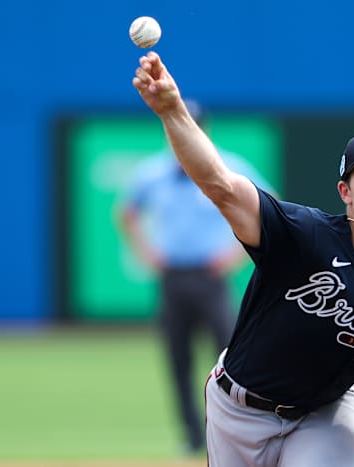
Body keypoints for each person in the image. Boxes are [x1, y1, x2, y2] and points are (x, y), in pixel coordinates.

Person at [132, 51, 354, 466]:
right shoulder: (303, 236)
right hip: (238, 409)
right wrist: (173, 109)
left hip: (326, 414)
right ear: (346, 192)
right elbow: (221, 186)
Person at [118, 99, 272, 454]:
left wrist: (235, 256)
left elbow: (270, 206)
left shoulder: (227, 166)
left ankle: (239, 432)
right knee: (178, 360)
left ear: (204, 131)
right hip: (172, 275)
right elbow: (126, 211)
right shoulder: (154, 172)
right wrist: (146, 252)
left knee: (233, 357)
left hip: (211, 276)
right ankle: (192, 436)